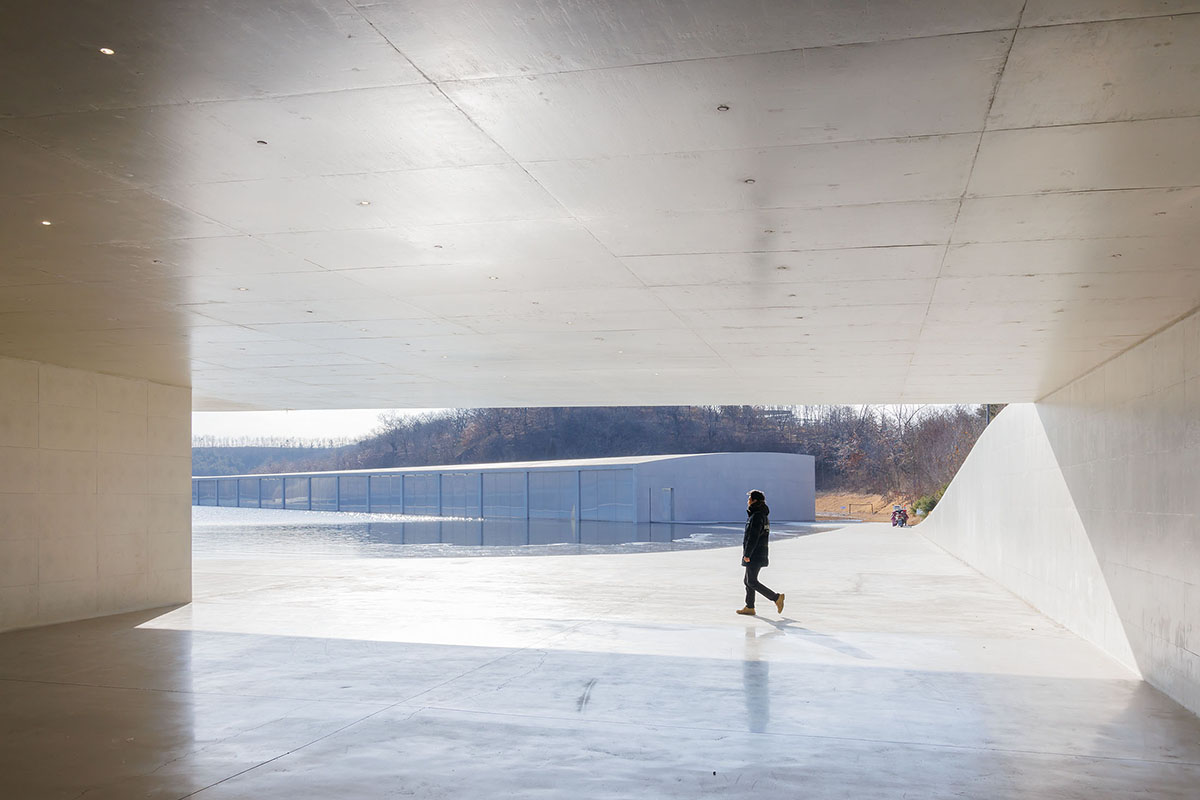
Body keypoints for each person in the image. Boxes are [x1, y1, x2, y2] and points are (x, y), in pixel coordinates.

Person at [737, 489, 784, 616]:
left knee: (752, 581)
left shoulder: (757, 516)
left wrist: (747, 554)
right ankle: (749, 607)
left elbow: (753, 536)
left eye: (749, 499)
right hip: (757, 552)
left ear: (754, 501)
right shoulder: (760, 515)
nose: (748, 501)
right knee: (748, 580)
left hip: (755, 553)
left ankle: (776, 598)